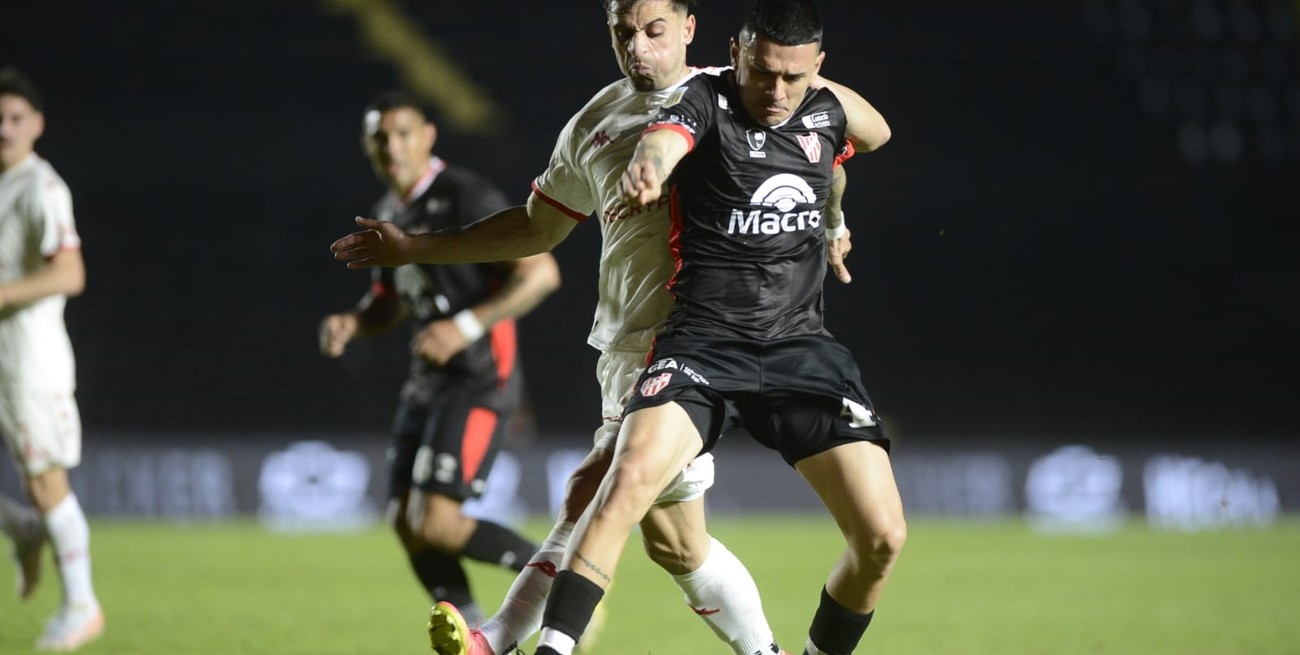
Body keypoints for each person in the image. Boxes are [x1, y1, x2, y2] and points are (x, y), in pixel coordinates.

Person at [330, 1, 888, 652]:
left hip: (687, 343)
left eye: (655, 31)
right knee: (678, 544)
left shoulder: (740, 94)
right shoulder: (596, 122)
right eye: (625, 33)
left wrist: (831, 223)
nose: (639, 48)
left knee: (596, 490)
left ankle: (497, 637)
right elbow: (536, 228)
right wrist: (416, 248)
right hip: (626, 343)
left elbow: (828, 151)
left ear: (690, 28)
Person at [526, 0, 907, 653]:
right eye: (762, 72)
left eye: (792, 77)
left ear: (816, 68)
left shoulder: (818, 106)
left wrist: (836, 221)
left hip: (798, 347)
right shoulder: (704, 99)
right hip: (702, 345)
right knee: (626, 482)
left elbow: (870, 136)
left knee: (882, 537)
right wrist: (648, 169)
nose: (775, 92)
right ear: (735, 53)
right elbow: (662, 141)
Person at [318, 90, 560, 626]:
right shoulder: (386, 213)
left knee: (437, 522)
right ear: (368, 147)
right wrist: (354, 323)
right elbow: (389, 301)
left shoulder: (463, 195)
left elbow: (541, 272)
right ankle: (474, 630)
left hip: (479, 379)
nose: (393, 147)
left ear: (428, 136)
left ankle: (558, 580)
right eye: (381, 138)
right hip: (427, 383)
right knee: (404, 520)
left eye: (404, 134)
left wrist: (465, 324)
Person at [0, 67, 105, 652]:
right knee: (37, 492)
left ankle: (82, 606)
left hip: (29, 364)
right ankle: (20, 528)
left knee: (46, 484)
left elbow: (71, 271)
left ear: (36, 125)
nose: (4, 128)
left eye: (15, 118)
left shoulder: (42, 187)